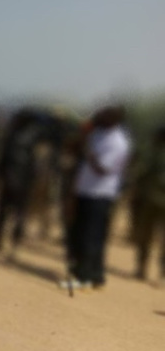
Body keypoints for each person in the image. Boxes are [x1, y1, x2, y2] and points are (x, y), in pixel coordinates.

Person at [64, 105, 131, 290]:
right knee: (79, 233)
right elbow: (74, 148)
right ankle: (90, 273)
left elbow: (102, 169)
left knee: (92, 237)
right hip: (84, 191)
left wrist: (87, 150)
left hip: (100, 195)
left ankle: (88, 275)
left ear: (115, 119)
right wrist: (82, 137)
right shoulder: (97, 134)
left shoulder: (118, 142)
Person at [0, 109, 40, 251]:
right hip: (20, 179)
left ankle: (2, 238)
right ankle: (10, 238)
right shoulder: (32, 136)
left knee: (6, 211)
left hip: (15, 178)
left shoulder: (16, 134)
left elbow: (4, 157)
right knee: (16, 212)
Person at [132, 125, 165, 282]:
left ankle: (141, 268)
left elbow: (140, 173)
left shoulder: (152, 153)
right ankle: (162, 273)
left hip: (150, 200)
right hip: (152, 199)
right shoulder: (153, 152)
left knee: (145, 235)